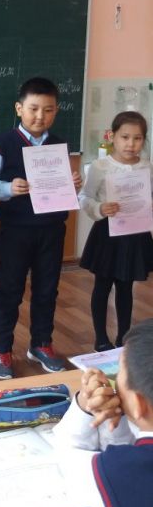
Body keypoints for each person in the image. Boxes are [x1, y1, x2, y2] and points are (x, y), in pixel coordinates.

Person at [0, 77, 82, 380]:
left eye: (48, 110)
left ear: (56, 111)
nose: (40, 116)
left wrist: (74, 184)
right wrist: (8, 188)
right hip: (16, 230)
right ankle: (1, 349)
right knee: (10, 289)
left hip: (52, 228)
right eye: (34, 109)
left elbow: (62, 184)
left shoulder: (59, 144)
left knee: (47, 289)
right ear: (19, 109)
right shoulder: (3, 143)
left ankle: (41, 344)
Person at [37, 318, 153, 507]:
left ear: (138, 403)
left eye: (118, 375)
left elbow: (66, 461)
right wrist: (115, 416)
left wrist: (85, 406)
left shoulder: (120, 470)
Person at [79, 111, 153, 351]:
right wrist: (100, 208)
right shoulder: (100, 166)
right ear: (113, 137)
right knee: (102, 285)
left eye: (137, 138)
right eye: (125, 137)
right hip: (107, 234)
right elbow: (85, 197)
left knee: (125, 286)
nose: (131, 144)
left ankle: (123, 336)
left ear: (144, 140)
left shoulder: (147, 167)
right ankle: (101, 338)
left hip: (135, 234)